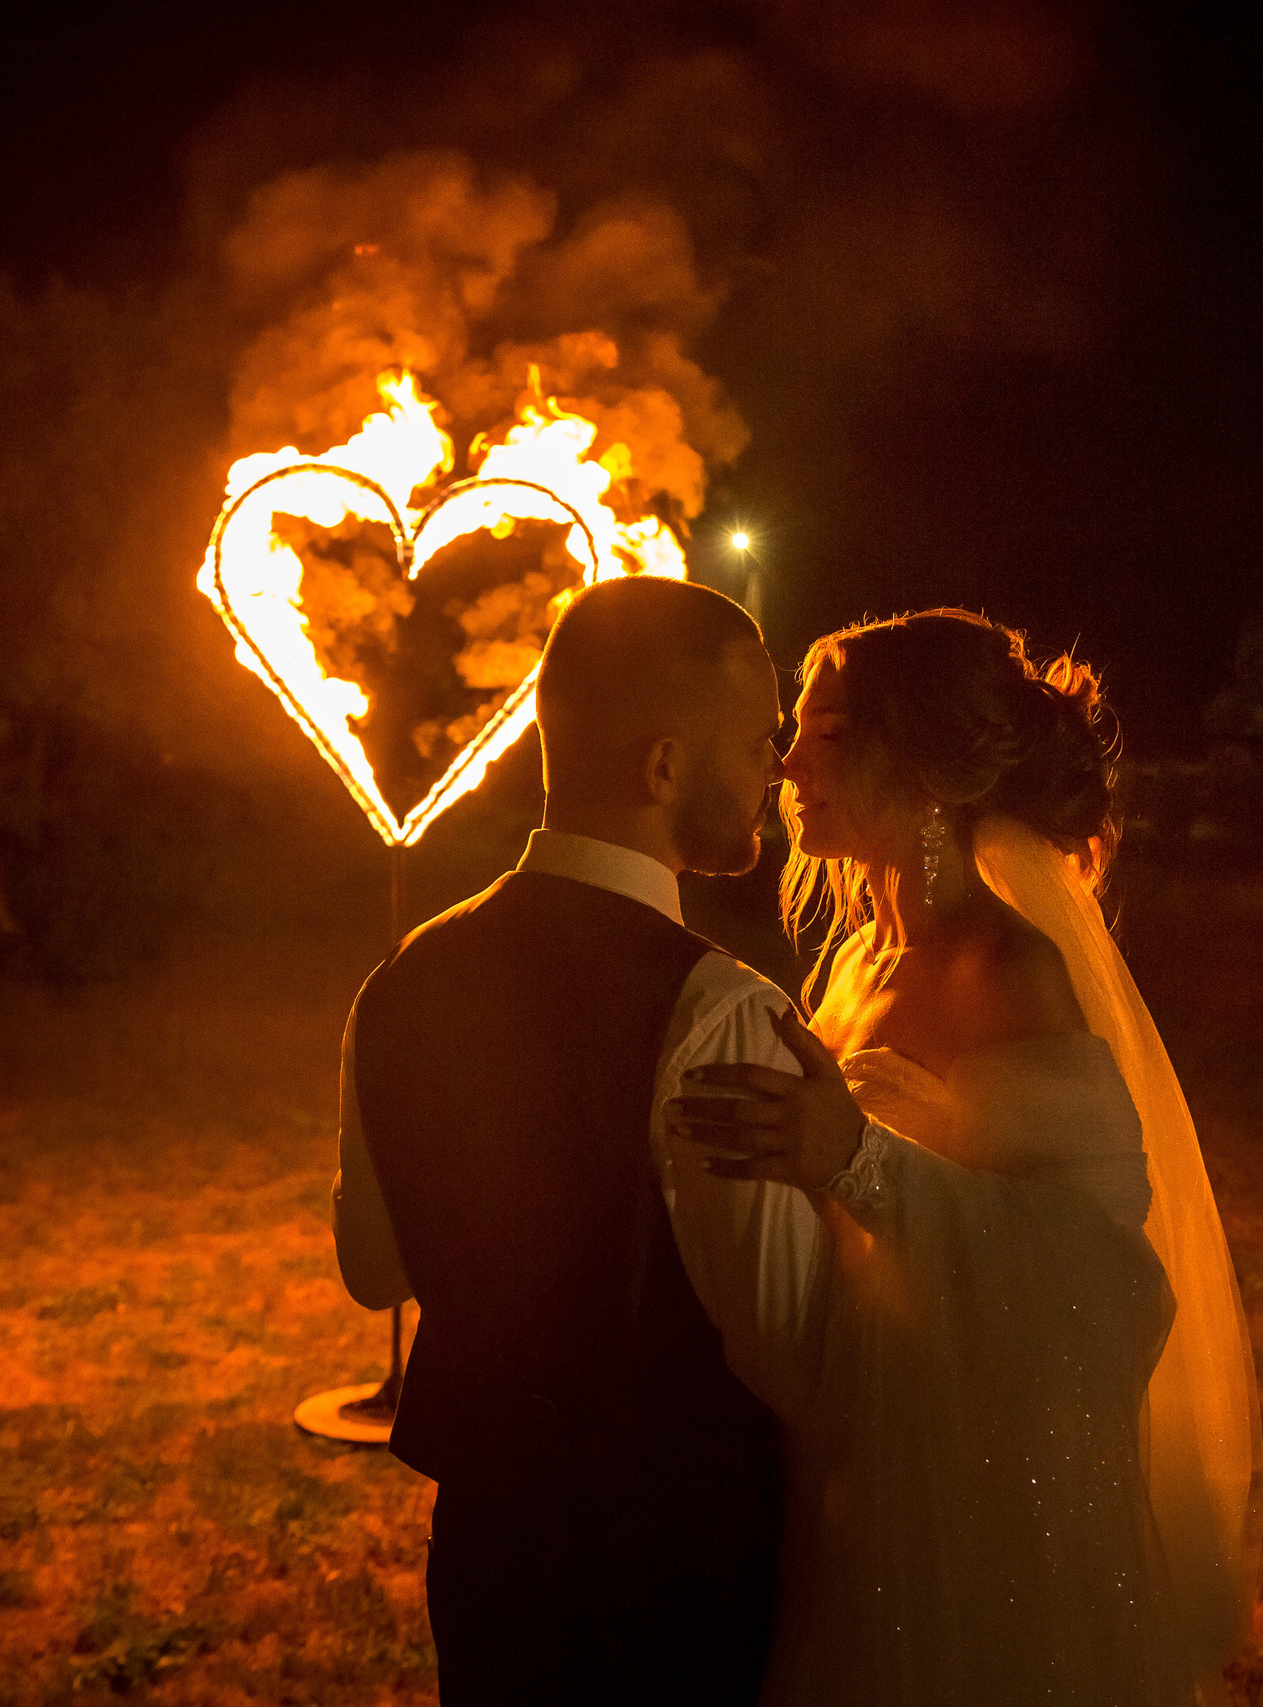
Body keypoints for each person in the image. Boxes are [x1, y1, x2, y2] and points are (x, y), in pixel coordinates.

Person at [670, 609, 1263, 1705]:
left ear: (926, 761)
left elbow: (1105, 1281)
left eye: (829, 732)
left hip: (981, 1498)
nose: (787, 760)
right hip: (855, 1444)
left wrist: (858, 1163)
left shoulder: (1011, 969)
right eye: (794, 731)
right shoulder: (853, 960)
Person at [331, 574, 821, 1706]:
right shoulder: (718, 1010)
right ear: (659, 767)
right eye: (758, 741)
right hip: (676, 1570)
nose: (775, 774)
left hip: (492, 1547)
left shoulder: (404, 979)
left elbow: (374, 1272)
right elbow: (783, 1340)